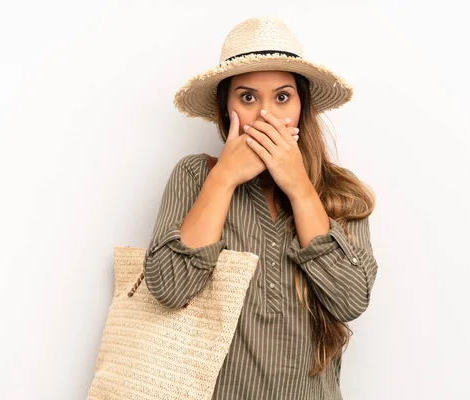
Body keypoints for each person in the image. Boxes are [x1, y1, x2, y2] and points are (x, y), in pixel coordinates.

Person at [143, 16, 378, 400]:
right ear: (225, 110)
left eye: (282, 97)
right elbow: (168, 289)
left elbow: (351, 300)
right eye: (248, 97)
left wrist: (300, 189)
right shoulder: (195, 175)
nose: (266, 115)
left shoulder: (339, 191)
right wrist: (222, 180)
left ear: (303, 106)